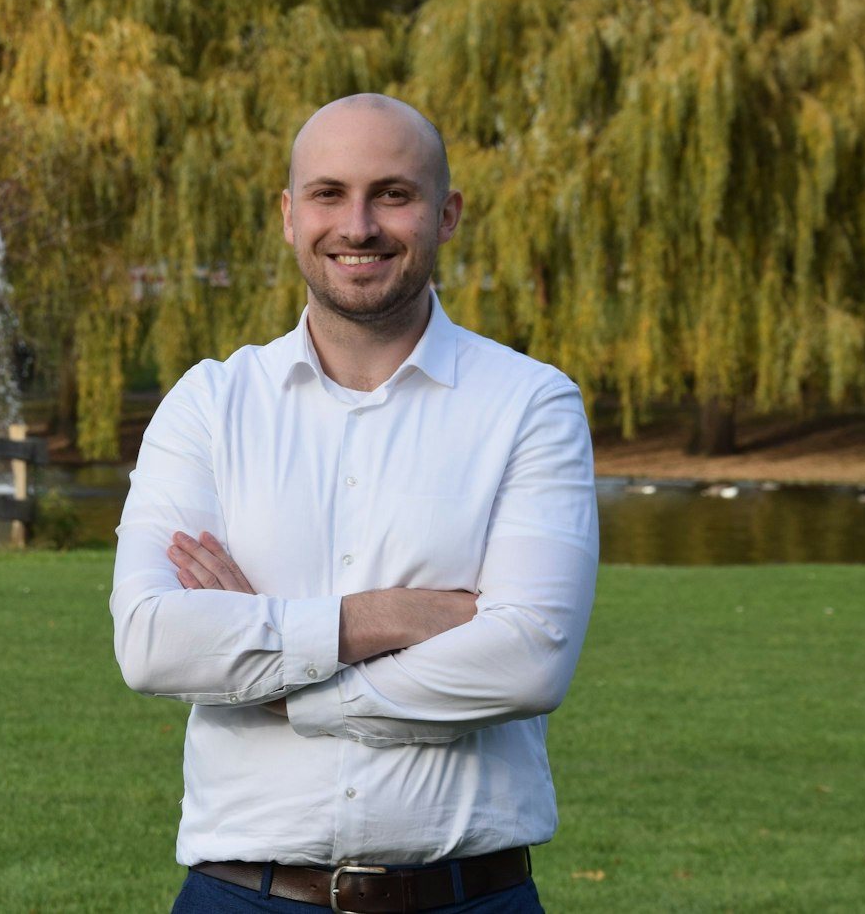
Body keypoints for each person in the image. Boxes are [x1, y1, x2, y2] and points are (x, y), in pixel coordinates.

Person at [110, 94, 599, 913]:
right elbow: (153, 642)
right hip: (242, 895)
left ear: (447, 214)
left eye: (393, 194)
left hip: (467, 898)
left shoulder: (530, 404)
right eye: (329, 193)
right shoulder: (210, 404)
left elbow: (528, 660)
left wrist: (284, 681)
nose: (359, 225)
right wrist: (390, 617)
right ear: (289, 214)